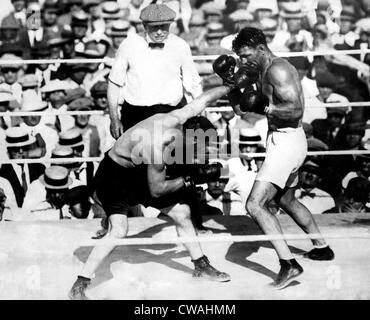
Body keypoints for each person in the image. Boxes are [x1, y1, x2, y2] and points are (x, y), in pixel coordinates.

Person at [68, 83, 236, 300]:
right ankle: (80, 284)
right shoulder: (157, 145)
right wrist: (192, 177)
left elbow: (203, 99)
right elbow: (157, 191)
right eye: (197, 146)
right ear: (189, 137)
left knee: (182, 213)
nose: (198, 152)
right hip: (115, 176)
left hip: (138, 169)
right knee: (119, 230)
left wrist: (231, 86)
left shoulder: (179, 117)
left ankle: (201, 266)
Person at [213, 27, 334, 289]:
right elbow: (239, 110)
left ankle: (288, 264)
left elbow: (295, 110)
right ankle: (322, 247)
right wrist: (231, 83)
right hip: (280, 140)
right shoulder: (257, 70)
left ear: (260, 48)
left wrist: (265, 107)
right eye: (240, 57)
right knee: (286, 200)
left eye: (246, 55)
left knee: (254, 204)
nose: (243, 61)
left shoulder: (278, 70)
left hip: (288, 140)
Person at [108, 2, 202, 138]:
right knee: (136, 157)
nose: (159, 32)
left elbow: (193, 84)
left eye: (163, 26)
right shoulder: (129, 44)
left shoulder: (180, 45)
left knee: (171, 157)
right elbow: (114, 83)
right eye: (154, 27)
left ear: (170, 24)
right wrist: (114, 119)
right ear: (145, 26)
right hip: (135, 115)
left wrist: (201, 115)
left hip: (170, 114)